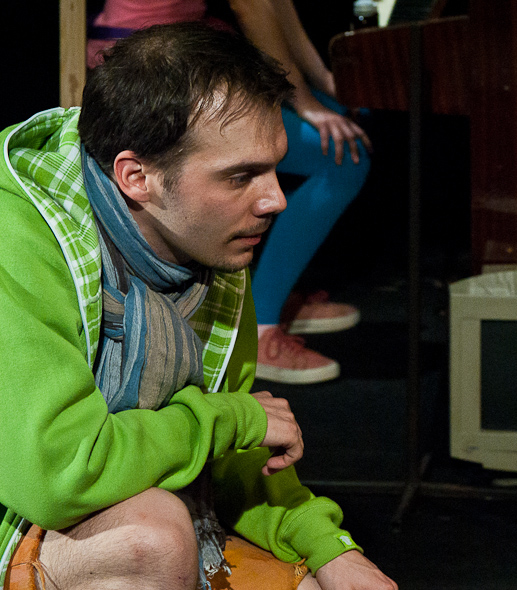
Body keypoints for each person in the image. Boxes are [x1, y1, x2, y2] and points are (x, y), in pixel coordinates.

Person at [0, 23, 401, 590]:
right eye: (241, 176)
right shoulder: (20, 241)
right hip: (19, 532)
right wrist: (228, 420)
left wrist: (328, 545)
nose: (274, 199)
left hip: (94, 534)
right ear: (137, 176)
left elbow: (229, 454)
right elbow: (62, 472)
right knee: (150, 545)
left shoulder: (208, 242)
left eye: (274, 168)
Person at [88, 0, 374, 385]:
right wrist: (303, 101)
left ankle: (267, 296)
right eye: (241, 178)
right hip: (153, 72)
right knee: (342, 156)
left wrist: (322, 80)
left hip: (196, 58)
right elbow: (251, 6)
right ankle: (261, 323)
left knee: (352, 118)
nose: (276, 201)